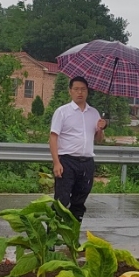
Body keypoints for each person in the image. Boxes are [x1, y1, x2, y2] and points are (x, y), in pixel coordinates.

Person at [49, 76, 107, 223]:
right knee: (61, 201)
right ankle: (51, 238)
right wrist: (56, 163)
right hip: (67, 161)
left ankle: (72, 238)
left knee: (79, 202)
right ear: (70, 91)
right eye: (76, 89)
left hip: (87, 162)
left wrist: (101, 129)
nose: (80, 92)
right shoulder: (62, 112)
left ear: (87, 92)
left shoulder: (94, 113)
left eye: (83, 89)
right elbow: (53, 137)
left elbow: (99, 140)